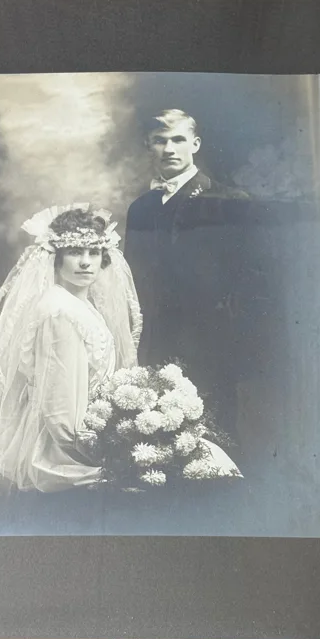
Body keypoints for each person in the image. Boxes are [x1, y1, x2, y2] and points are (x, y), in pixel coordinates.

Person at [0, 204, 142, 499]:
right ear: (56, 257)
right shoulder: (59, 311)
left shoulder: (79, 306)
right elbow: (59, 414)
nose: (86, 262)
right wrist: (106, 454)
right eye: (75, 252)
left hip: (83, 435)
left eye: (93, 252)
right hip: (60, 455)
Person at [124, 109, 245, 444]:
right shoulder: (140, 208)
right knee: (157, 434)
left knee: (212, 436)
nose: (169, 149)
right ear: (148, 145)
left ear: (195, 144)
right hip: (154, 338)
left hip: (209, 342)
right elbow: (130, 278)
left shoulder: (227, 201)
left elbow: (244, 281)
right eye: (160, 141)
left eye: (178, 139)